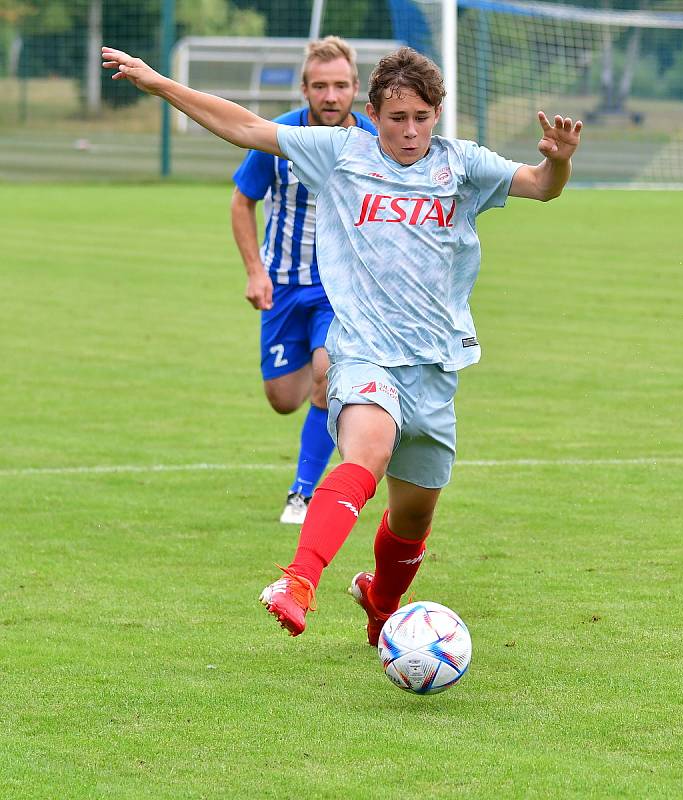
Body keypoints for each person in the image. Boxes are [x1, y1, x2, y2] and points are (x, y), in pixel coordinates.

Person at [102, 43, 583, 645]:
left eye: (422, 117)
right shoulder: (340, 154)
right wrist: (161, 84)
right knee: (366, 452)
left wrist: (559, 162)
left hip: (435, 363)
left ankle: (381, 603)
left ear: (438, 113)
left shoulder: (462, 166)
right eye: (396, 118)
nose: (410, 132)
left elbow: (541, 185)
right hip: (361, 349)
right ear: (372, 112)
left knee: (414, 516)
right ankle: (298, 580)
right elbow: (246, 127)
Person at [231, 37, 377, 525]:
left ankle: (302, 493)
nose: (331, 96)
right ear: (305, 89)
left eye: (340, 86)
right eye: (320, 86)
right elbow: (241, 200)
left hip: (341, 290)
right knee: (282, 398)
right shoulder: (279, 138)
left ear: (357, 87)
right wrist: (255, 271)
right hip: (284, 286)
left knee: (323, 377)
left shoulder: (373, 141)